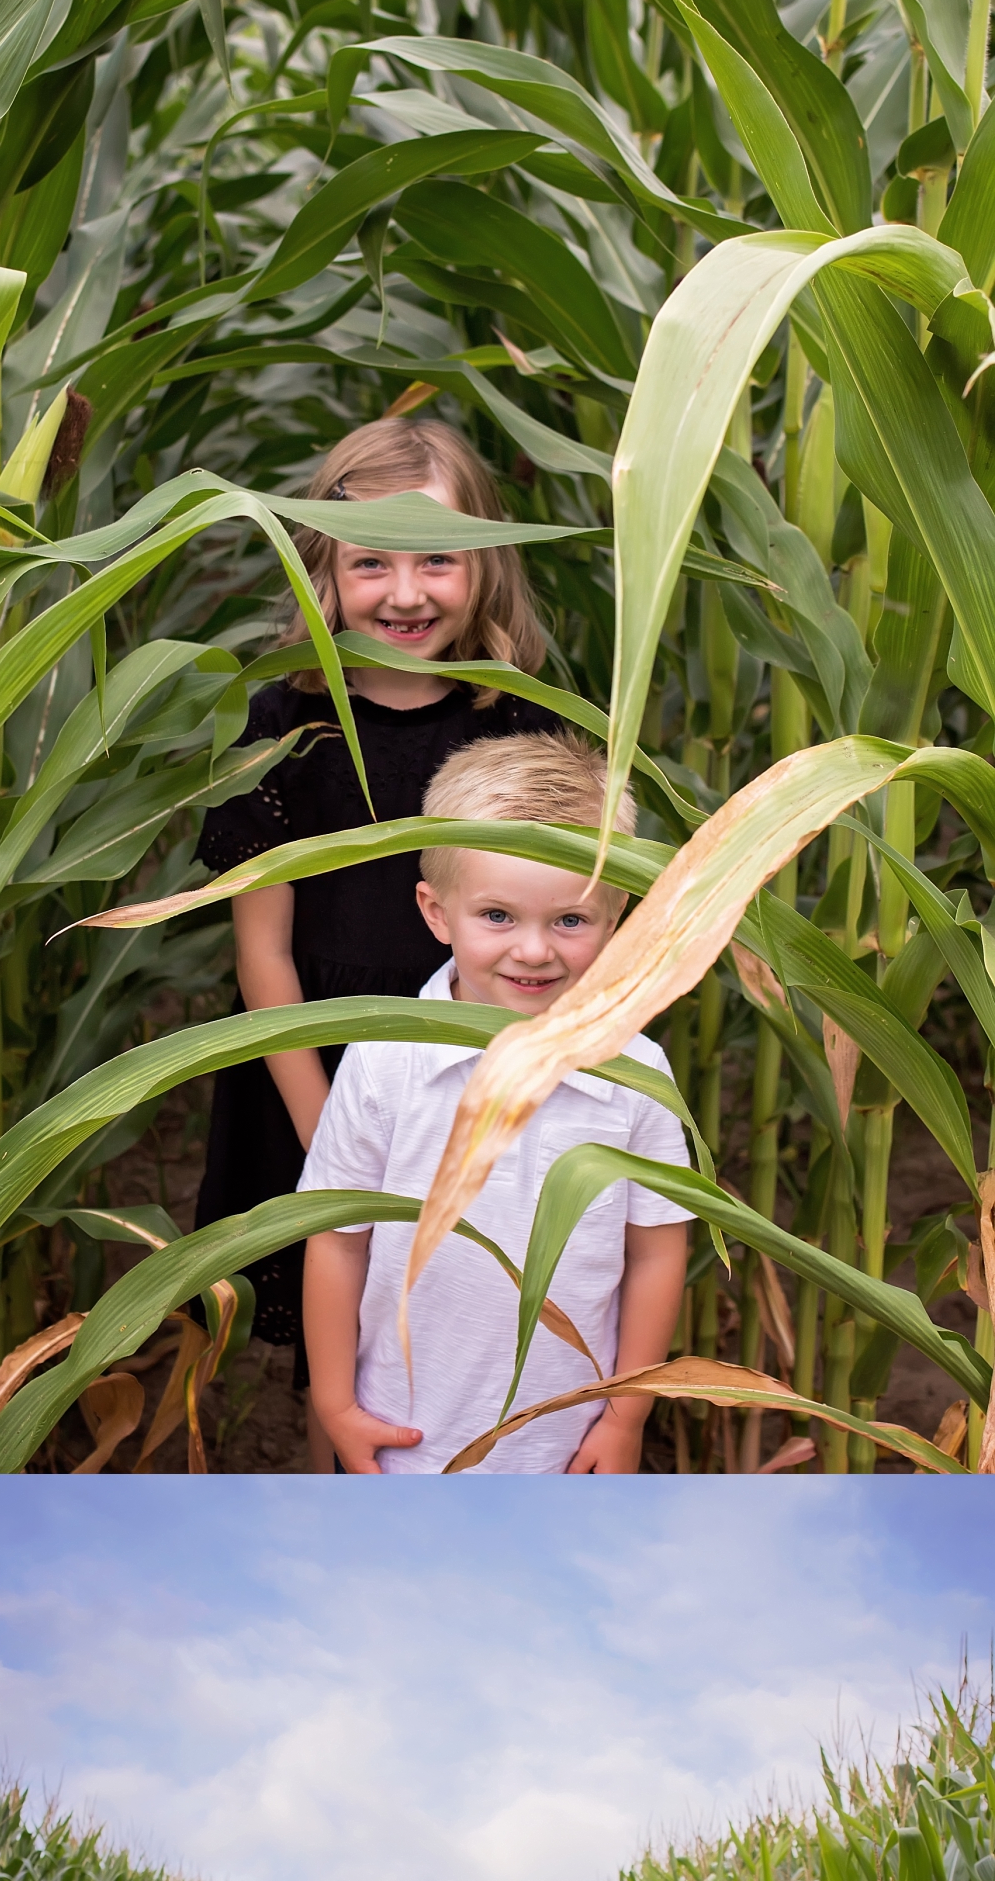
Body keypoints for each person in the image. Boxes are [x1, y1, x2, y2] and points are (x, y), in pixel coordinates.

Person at [194, 412, 556, 1455]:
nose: (405, 593)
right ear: (324, 569)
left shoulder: (519, 726)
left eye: (437, 559)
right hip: (317, 1071)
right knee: (343, 1346)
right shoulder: (278, 728)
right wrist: (331, 1146)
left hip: (474, 1077)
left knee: (471, 1321)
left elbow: (559, 926)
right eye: (371, 564)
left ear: (484, 566)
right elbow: (263, 954)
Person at [297, 732, 690, 1474]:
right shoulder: (385, 1060)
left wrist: (625, 1417)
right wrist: (336, 1406)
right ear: (437, 912)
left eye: (570, 920)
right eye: (498, 917)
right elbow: (337, 1241)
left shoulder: (637, 1074)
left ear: (618, 914)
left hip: (567, 1443)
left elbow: (656, 1254)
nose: (534, 951)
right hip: (405, 1436)